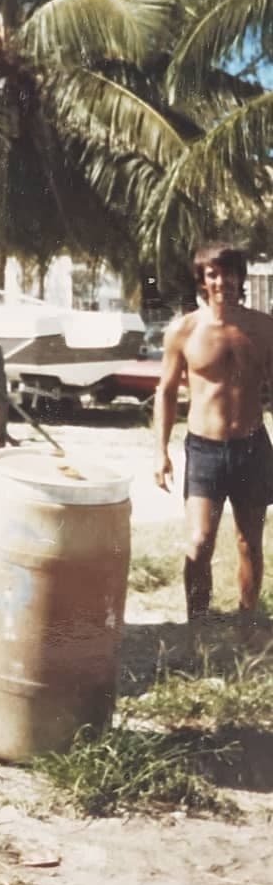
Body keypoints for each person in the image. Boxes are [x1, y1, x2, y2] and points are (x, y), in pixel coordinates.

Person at [154, 242, 273, 623]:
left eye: (229, 273)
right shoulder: (183, 330)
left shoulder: (264, 328)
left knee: (249, 541)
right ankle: (198, 625)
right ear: (203, 280)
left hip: (253, 446)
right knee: (199, 541)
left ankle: (247, 621)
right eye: (213, 274)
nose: (222, 281)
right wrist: (161, 451)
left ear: (241, 276)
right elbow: (167, 391)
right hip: (204, 450)